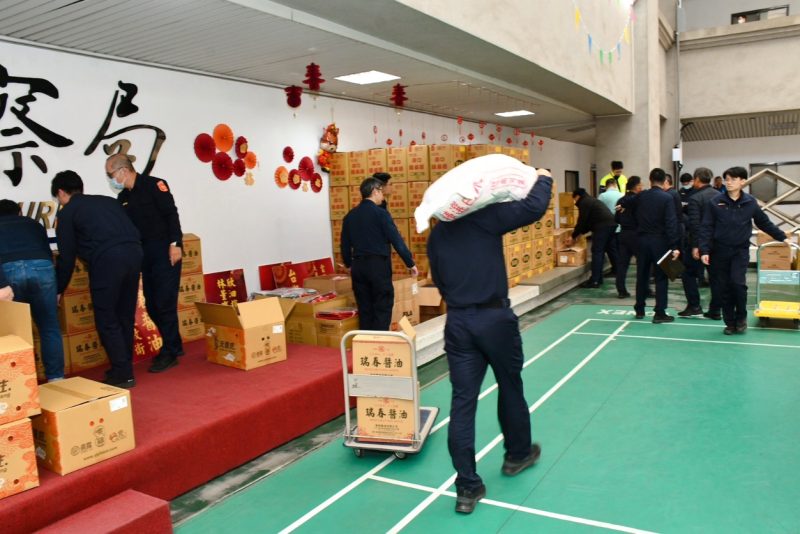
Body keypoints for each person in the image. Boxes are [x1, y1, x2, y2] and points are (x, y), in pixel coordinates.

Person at [427, 168, 553, 515]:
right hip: (494, 319)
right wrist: (543, 178)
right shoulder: (484, 218)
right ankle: (517, 455)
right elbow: (533, 208)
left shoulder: (437, 236)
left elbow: (439, 281)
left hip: (458, 322)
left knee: (462, 403)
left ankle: (467, 487)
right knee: (510, 385)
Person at [52, 170, 143, 388]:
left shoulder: (67, 213)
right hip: (135, 253)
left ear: (61, 192)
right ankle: (123, 367)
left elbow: (67, 257)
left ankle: (123, 373)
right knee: (124, 315)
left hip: (108, 260)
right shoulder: (107, 201)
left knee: (106, 317)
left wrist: (58, 288)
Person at [106, 154, 184, 373]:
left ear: (123, 171)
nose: (111, 179)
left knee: (164, 302)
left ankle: (170, 351)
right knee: (152, 304)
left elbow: (171, 214)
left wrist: (176, 243)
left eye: (110, 174)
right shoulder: (122, 197)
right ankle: (174, 344)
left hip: (165, 251)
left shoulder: (154, 185)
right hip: (144, 255)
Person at [699, 166, 787, 335]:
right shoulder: (715, 202)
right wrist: (704, 250)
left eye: (733, 179)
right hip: (719, 252)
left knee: (738, 284)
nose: (729, 182)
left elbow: (763, 222)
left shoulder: (750, 202)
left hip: (740, 251)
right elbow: (706, 227)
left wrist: (782, 237)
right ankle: (730, 323)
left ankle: (741, 318)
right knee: (724, 288)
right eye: (727, 179)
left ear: (742, 182)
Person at [0, 199, 66, 381]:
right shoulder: (34, 224)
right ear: (19, 212)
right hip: (42, 268)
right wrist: (56, 287)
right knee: (49, 326)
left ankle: (21, 382)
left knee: (15, 331)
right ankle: (56, 379)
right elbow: (49, 254)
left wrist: (2, 284)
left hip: (8, 270)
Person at [340, 177, 417, 331]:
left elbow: (344, 245)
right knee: (382, 306)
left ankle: (366, 342)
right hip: (378, 267)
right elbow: (396, 240)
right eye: (381, 191)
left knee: (365, 309)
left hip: (358, 267)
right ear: (374, 191)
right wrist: (410, 263)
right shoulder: (381, 214)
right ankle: (380, 340)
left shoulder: (350, 216)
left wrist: (349, 264)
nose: (383, 195)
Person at [630, 168, 681, 323]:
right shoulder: (667, 198)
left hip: (642, 240)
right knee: (661, 277)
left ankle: (639, 309)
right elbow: (671, 223)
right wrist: (674, 245)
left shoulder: (641, 196)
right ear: (664, 181)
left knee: (642, 275)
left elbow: (627, 205)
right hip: (660, 241)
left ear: (650, 180)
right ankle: (659, 313)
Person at [678, 167, 721, 318]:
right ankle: (716, 310)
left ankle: (694, 306)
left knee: (688, 273)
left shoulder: (695, 198)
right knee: (715, 276)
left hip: (700, 243)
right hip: (717, 242)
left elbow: (695, 224)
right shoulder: (720, 195)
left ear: (696, 179)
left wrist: (696, 246)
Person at [566, 188, 618, 289]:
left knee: (597, 252)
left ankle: (595, 280)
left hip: (603, 226)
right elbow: (588, 222)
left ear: (577, 196)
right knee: (611, 248)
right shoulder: (591, 200)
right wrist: (579, 234)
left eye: (574, 199)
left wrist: (573, 236)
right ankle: (616, 272)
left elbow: (582, 221)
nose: (575, 202)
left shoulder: (584, 202)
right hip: (611, 224)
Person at [614, 175, 643, 298]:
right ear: (637, 186)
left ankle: (621, 290)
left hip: (623, 234)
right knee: (642, 263)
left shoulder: (621, 200)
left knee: (622, 264)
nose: (642, 187)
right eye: (641, 185)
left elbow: (616, 218)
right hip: (636, 234)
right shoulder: (638, 200)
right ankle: (644, 289)